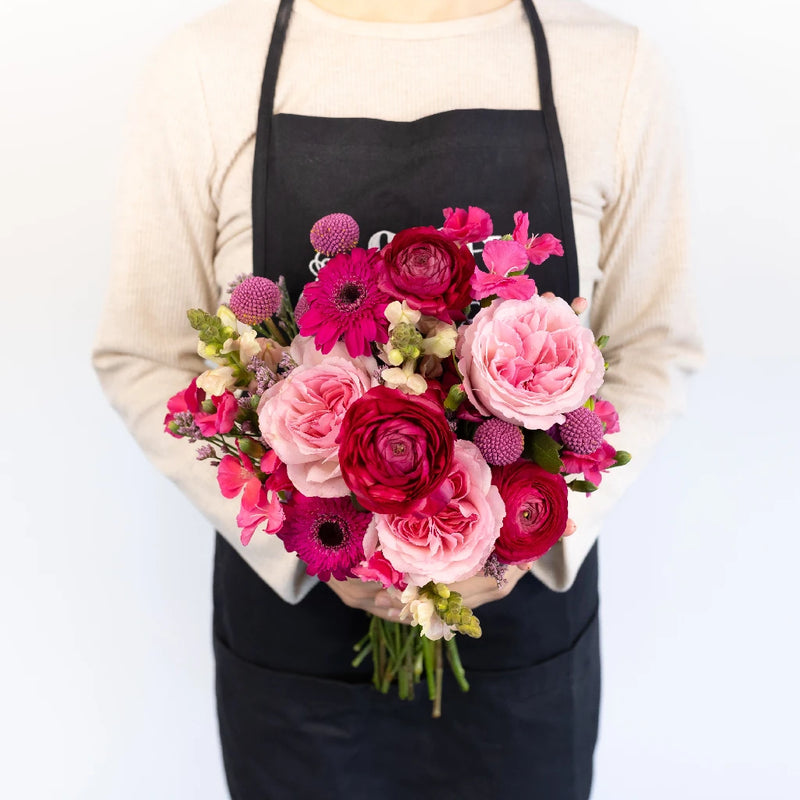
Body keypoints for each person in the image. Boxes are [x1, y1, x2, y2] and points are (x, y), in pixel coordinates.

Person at [92, 0, 704, 797]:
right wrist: (314, 542)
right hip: (297, 643)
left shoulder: (613, 68)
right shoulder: (206, 68)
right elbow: (144, 355)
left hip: (520, 635)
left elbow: (657, 343)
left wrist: (529, 535)